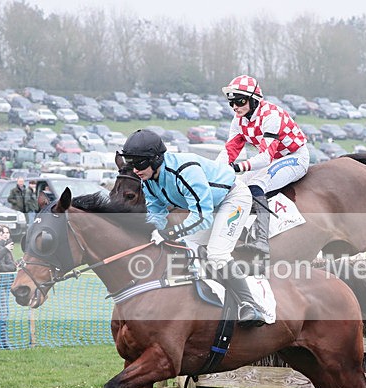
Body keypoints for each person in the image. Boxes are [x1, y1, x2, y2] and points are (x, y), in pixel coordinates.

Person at [118, 129, 265, 325]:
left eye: (139, 163)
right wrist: (152, 231)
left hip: (233, 199)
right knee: (187, 248)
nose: (135, 170)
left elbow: (202, 218)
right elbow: (156, 213)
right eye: (131, 163)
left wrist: (168, 232)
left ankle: (250, 305)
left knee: (217, 254)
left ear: (155, 159)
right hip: (210, 206)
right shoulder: (148, 180)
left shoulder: (185, 170)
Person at [217, 75, 309, 259]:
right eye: (231, 102)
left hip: (294, 157)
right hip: (273, 158)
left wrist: (238, 167)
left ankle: (261, 240)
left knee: (256, 185)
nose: (235, 107)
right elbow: (230, 151)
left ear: (253, 99)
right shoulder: (239, 120)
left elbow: (266, 157)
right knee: (235, 185)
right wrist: (216, 170)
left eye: (240, 101)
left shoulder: (271, 116)